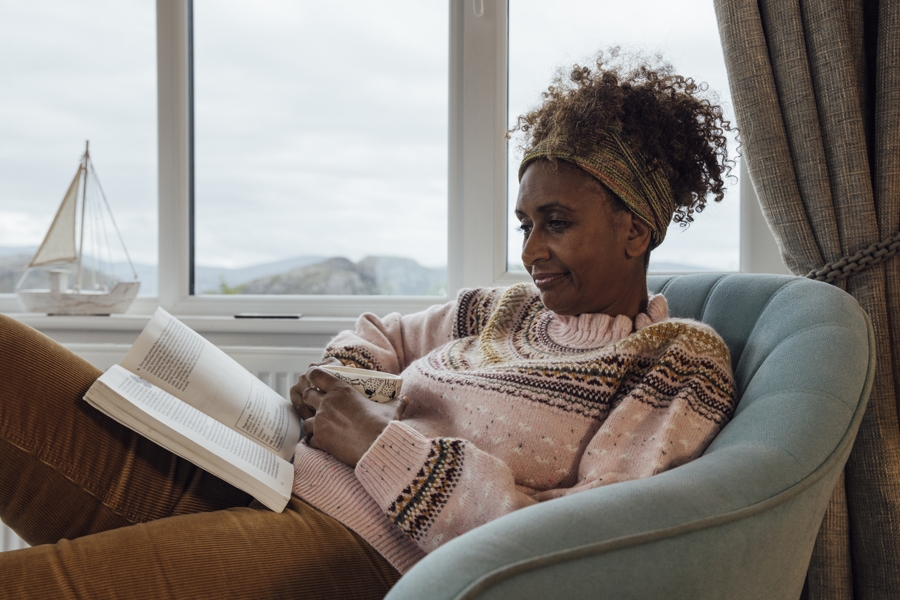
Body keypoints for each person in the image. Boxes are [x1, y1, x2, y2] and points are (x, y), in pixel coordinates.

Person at [0, 52, 736, 599]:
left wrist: (381, 447)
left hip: (356, 549)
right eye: (524, 224)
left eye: (557, 223)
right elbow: (379, 332)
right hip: (266, 478)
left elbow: (585, 544)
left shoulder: (674, 359)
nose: (530, 251)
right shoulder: (503, 308)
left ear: (635, 230)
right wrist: (341, 385)